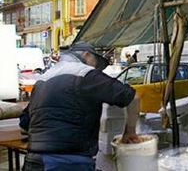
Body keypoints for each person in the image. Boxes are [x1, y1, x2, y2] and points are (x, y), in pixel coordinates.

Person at [20, 41, 141, 171]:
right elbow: (133, 98)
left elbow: (24, 124)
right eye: (96, 63)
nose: (96, 69)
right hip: (69, 162)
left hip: (35, 161)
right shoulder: (86, 74)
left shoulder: (42, 80)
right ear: (87, 55)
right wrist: (130, 132)